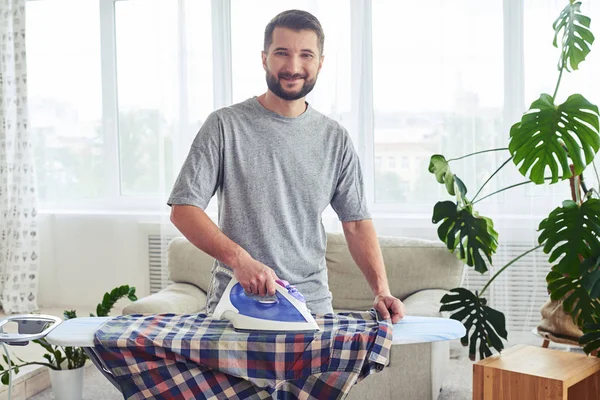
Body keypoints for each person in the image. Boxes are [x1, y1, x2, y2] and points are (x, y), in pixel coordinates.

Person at [168, 9, 405, 323]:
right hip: (234, 306)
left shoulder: (335, 139)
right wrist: (240, 260)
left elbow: (357, 224)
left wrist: (381, 290)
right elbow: (183, 209)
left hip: (313, 307)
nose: (293, 67)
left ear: (320, 62)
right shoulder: (225, 126)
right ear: (264, 58)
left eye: (306, 55)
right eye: (282, 53)